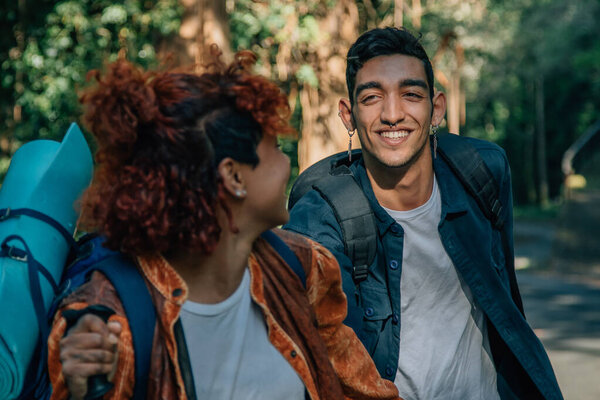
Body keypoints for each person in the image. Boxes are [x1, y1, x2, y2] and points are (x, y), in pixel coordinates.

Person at [47, 49, 399, 400]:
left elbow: (364, 390)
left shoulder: (302, 267)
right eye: (274, 148)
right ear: (233, 176)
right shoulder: (108, 320)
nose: (284, 163)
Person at [285, 27, 563, 400]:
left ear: (438, 108)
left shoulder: (483, 173)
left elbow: (506, 302)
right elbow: (332, 368)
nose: (393, 114)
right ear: (348, 115)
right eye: (371, 98)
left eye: (411, 95)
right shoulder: (320, 217)